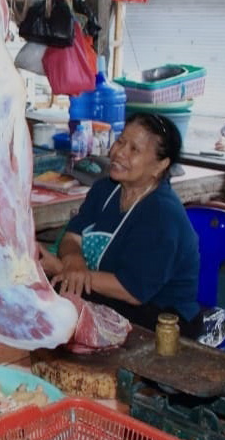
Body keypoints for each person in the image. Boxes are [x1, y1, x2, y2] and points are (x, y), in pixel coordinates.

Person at [39, 113, 201, 334]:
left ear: (160, 165)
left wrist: (63, 270)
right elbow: (72, 236)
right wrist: (72, 260)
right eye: (121, 141)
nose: (119, 152)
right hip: (110, 298)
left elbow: (132, 290)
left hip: (162, 319)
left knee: (58, 293)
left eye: (134, 149)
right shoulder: (105, 189)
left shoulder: (162, 214)